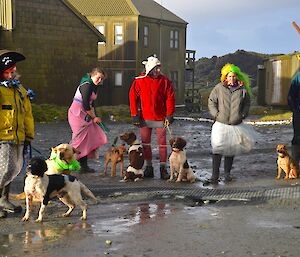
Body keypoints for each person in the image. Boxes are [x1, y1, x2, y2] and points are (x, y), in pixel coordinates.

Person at [0, 50, 34, 218]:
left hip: (18, 136)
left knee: (13, 169)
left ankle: (4, 198)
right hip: (3, 137)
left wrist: (29, 135)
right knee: (4, 169)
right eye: (8, 72)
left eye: (13, 71)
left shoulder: (19, 89)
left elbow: (27, 113)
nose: (11, 75)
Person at [129, 55, 175, 179]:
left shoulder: (165, 81)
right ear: (150, 68)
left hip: (161, 117)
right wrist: (135, 115)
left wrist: (170, 114)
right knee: (146, 144)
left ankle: (163, 168)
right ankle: (149, 167)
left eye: (159, 67)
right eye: (157, 68)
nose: (159, 70)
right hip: (145, 117)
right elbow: (133, 97)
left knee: (162, 144)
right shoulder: (139, 81)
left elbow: (170, 97)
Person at [205, 63, 251, 185]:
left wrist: (242, 115)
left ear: (237, 76)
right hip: (220, 123)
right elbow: (211, 101)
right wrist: (216, 114)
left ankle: (227, 174)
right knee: (217, 148)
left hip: (235, 124)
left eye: (234, 76)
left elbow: (247, 104)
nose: (232, 78)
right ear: (225, 77)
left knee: (231, 149)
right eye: (229, 76)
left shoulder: (242, 89)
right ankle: (214, 176)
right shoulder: (219, 88)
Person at [68, 67, 108, 173]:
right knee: (78, 139)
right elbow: (85, 104)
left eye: (102, 79)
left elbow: (91, 104)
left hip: (86, 114)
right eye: (98, 78)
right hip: (77, 113)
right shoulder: (86, 85)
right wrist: (94, 117)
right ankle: (66, 162)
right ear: (92, 75)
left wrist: (95, 116)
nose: (100, 81)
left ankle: (83, 166)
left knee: (86, 139)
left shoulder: (94, 86)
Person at [287, 56, 300, 165]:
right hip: (299, 113)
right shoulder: (298, 78)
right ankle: (295, 164)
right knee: (297, 137)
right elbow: (291, 96)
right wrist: (295, 109)